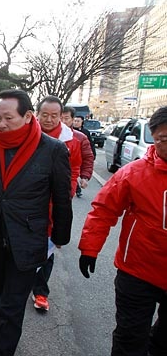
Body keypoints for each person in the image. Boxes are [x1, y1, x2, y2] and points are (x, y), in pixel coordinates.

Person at [0, 89, 72, 355]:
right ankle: (0, 328)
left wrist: (60, 237)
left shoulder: (52, 150)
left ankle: (2, 348)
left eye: (8, 118)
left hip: (27, 238)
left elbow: (61, 198)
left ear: (27, 116)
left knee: (12, 304)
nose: (1, 124)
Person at [79, 106, 167, 356]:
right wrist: (90, 248)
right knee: (130, 338)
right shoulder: (134, 173)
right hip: (138, 271)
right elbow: (104, 210)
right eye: (164, 139)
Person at [32, 95, 82, 312]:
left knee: (47, 249)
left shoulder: (71, 140)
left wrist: (66, 194)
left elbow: (74, 171)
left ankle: (41, 291)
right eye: (45, 115)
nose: (49, 120)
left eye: (54, 115)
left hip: (53, 205)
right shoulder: (25, 133)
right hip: (26, 203)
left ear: (62, 116)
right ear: (36, 114)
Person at [62, 107, 95, 198]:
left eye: (66, 118)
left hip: (68, 179)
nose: (63, 121)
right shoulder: (47, 134)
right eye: (60, 118)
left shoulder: (80, 137)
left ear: (72, 119)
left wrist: (84, 177)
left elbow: (88, 157)